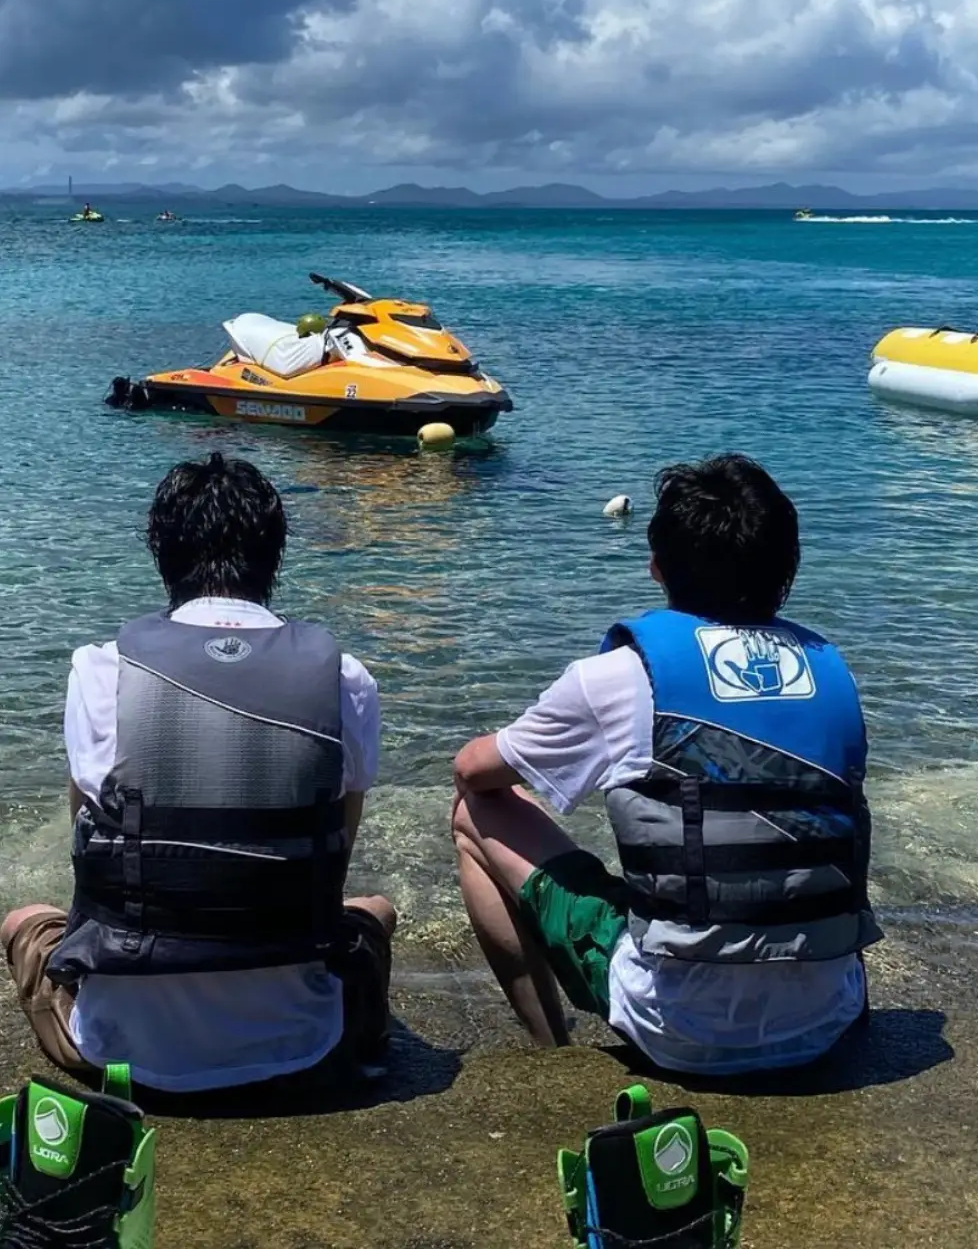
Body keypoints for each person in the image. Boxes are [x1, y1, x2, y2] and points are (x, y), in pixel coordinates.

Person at [452, 453, 880, 1076]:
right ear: (787, 569)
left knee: (473, 810)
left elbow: (473, 770)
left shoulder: (618, 678)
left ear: (657, 568)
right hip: (827, 1021)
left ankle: (551, 1052)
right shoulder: (834, 675)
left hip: (676, 1027)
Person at [2, 452, 394, 1095]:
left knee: (25, 920)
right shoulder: (347, 681)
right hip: (301, 1047)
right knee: (373, 909)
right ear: (274, 556)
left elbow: (85, 856)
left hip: (125, 1055)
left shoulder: (101, 673)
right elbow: (337, 854)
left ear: (163, 554)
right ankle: (356, 1032)